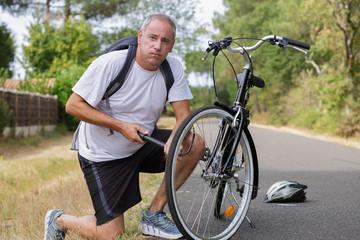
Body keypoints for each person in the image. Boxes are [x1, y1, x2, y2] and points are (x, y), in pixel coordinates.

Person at [43, 14, 201, 240]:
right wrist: (120, 126)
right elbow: (73, 106)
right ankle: (59, 220)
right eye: (153, 37)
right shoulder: (111, 64)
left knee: (193, 144)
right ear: (140, 36)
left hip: (142, 143)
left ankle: (153, 215)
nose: (157, 46)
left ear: (172, 45)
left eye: (165, 41)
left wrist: (176, 139)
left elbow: (183, 117)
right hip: (103, 154)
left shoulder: (173, 68)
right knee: (111, 234)